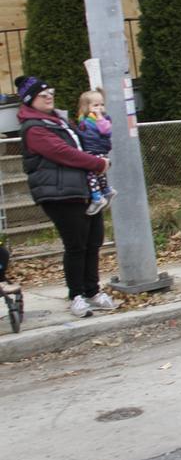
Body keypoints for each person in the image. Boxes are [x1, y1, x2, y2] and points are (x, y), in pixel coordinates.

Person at [17, 76, 117, 318]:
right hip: (59, 193)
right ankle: (77, 295)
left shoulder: (59, 121)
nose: (49, 96)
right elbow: (62, 153)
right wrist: (96, 163)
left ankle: (92, 291)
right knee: (76, 245)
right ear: (31, 100)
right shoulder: (34, 128)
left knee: (93, 242)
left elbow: (82, 143)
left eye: (50, 91)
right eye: (43, 94)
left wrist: (99, 128)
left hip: (82, 188)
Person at [75, 90, 117, 216]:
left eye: (101, 105)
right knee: (98, 174)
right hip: (90, 150)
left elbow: (106, 130)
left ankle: (97, 197)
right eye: (96, 105)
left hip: (97, 151)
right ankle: (106, 190)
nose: (100, 108)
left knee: (91, 174)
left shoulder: (103, 119)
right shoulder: (85, 119)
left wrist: (99, 118)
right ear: (86, 107)